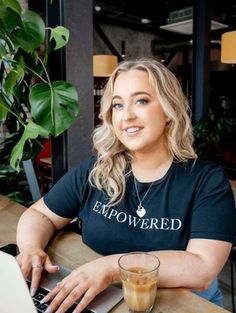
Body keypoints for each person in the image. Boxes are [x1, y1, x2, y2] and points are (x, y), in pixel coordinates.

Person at [16, 57, 236, 313]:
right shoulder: (97, 169)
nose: (127, 115)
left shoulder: (207, 181)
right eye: (117, 105)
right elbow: (40, 214)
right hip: (101, 300)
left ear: (168, 110)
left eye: (141, 101)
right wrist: (30, 248)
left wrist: (111, 268)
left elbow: (202, 268)